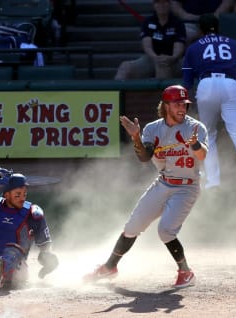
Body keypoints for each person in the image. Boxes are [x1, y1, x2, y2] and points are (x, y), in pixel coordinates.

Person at [84, 85, 208, 288]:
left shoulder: (195, 127)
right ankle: (109, 267)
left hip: (187, 187)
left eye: (184, 104)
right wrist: (135, 137)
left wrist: (194, 144)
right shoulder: (153, 128)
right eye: (177, 104)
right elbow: (144, 157)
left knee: (166, 230)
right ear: (166, 105)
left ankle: (186, 272)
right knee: (131, 228)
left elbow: (202, 156)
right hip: (163, 183)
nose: (182, 108)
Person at [181, 13, 236, 195]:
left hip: (206, 84)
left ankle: (213, 183)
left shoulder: (193, 48)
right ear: (218, 28)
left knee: (208, 136)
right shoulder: (234, 44)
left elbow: (187, 83)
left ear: (200, 30)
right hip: (231, 84)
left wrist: (185, 105)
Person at [114, 0, 186, 80]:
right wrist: (155, 58)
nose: (161, 5)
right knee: (125, 66)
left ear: (169, 4)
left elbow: (179, 47)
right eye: (158, 2)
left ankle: (162, 92)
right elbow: (147, 45)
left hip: (173, 60)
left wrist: (171, 58)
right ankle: (116, 92)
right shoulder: (148, 22)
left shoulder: (178, 23)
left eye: (164, 2)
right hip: (151, 58)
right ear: (154, 5)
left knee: (162, 66)